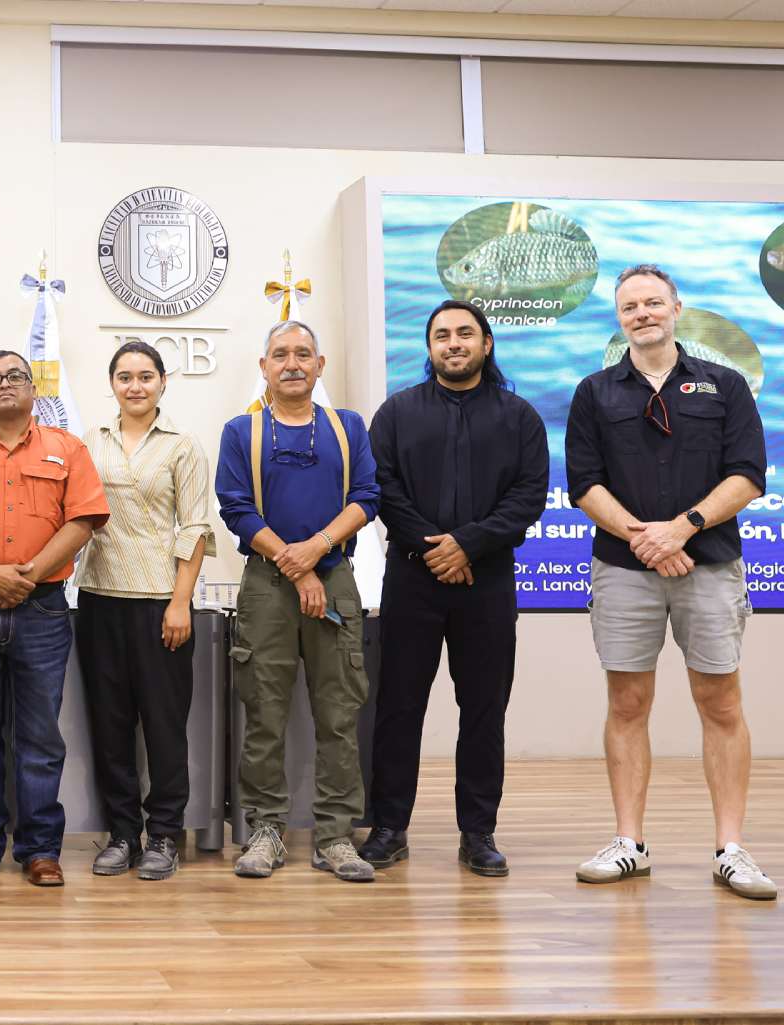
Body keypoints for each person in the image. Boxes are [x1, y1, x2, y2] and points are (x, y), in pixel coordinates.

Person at [565, 264, 774, 901]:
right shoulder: (594, 393)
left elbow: (748, 476)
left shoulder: (727, 386)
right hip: (626, 569)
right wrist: (644, 538)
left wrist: (680, 530)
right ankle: (630, 842)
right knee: (627, 705)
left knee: (722, 704)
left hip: (707, 566)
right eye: (630, 306)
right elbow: (584, 485)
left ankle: (731, 849)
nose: (642, 314)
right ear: (619, 317)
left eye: (654, 303)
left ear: (677, 308)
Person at [360, 301, 547, 877]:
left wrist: (467, 545)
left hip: (488, 581)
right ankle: (390, 827)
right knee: (398, 706)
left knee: (484, 710)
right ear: (430, 347)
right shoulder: (396, 413)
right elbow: (382, 490)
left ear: (487, 344)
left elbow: (528, 497)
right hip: (413, 578)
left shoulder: (520, 417)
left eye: (465, 333)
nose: (454, 343)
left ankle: (478, 833)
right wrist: (438, 548)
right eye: (442, 335)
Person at [0, 349, 108, 889]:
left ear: (33, 390)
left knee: (39, 735)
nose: (4, 384)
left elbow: (83, 521)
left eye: (15, 377)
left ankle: (39, 850)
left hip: (42, 607)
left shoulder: (67, 449)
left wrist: (24, 577)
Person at [215, 320, 380, 884]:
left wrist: (315, 551)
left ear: (319, 365)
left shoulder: (347, 427)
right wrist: (293, 562)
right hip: (266, 583)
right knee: (264, 712)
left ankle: (335, 835)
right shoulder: (243, 432)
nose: (292, 363)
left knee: (339, 713)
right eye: (280, 354)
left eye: (303, 354)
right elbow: (236, 508)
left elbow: (367, 496)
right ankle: (265, 830)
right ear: (264, 366)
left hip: (335, 577)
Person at [75, 341, 214, 881]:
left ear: (162, 383)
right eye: (125, 376)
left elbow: (195, 527)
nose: (135, 385)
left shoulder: (183, 446)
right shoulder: (91, 443)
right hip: (99, 600)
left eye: (146, 376)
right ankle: (122, 834)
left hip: (162, 603)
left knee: (163, 727)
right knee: (109, 728)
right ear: (112, 383)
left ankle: (163, 835)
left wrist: (181, 601)